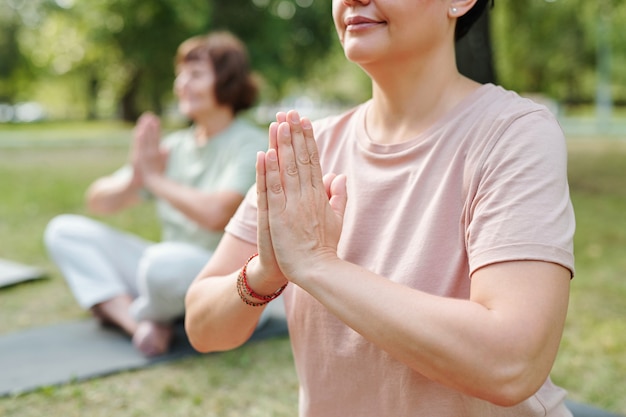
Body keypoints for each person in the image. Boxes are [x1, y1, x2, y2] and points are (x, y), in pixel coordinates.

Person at [185, 1, 576, 416]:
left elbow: (512, 364)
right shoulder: (306, 149)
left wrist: (317, 265)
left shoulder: (513, 134)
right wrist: (266, 271)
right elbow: (202, 324)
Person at [44, 31, 268, 357]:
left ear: (226, 80)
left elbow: (216, 214)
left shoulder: (251, 142)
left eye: (195, 74)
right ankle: (141, 323)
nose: (182, 84)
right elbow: (98, 201)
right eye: (180, 75)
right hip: (164, 273)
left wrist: (155, 179)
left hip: (221, 276)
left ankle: (132, 310)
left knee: (163, 263)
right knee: (63, 231)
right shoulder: (174, 148)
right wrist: (135, 179)